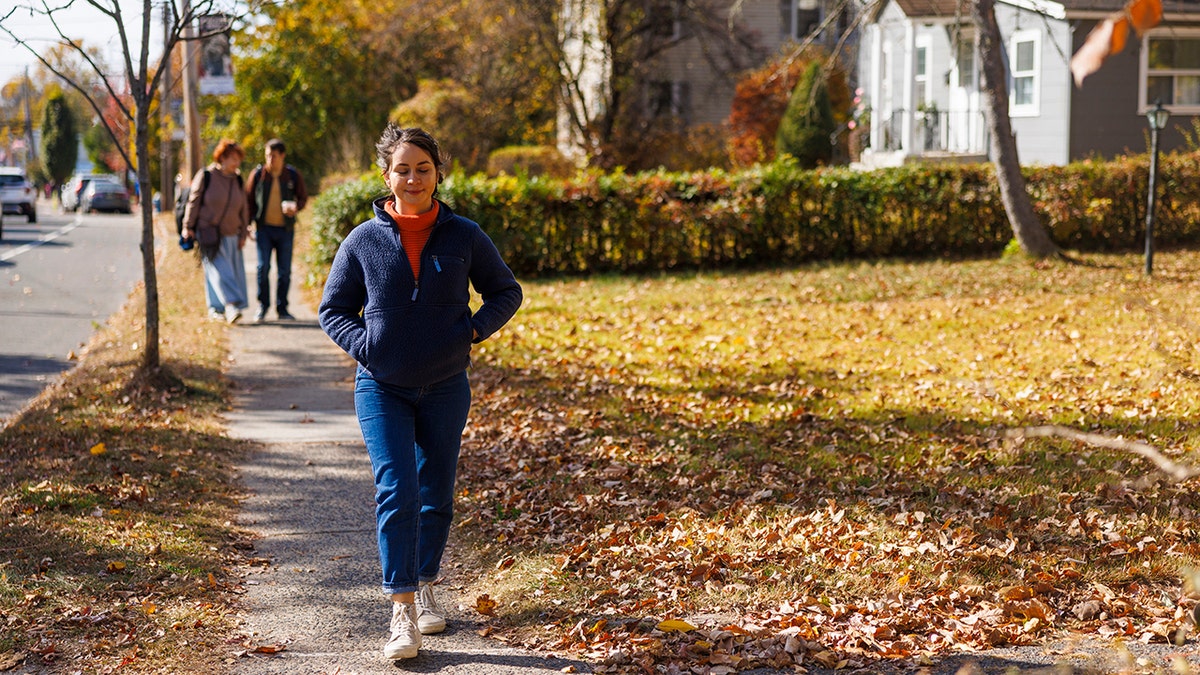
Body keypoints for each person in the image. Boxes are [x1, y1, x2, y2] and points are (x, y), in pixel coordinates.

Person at [318, 125, 522, 662]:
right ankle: (402, 609)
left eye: (423, 168)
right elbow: (332, 309)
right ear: (387, 176)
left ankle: (426, 581)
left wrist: (472, 331)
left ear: (437, 174)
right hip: (381, 387)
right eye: (402, 169)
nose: (413, 178)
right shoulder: (362, 239)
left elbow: (506, 290)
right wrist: (369, 347)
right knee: (397, 490)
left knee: (436, 495)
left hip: (446, 387)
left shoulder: (464, 236)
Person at [181, 139, 251, 323]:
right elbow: (193, 202)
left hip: (232, 234)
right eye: (233, 159)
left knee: (221, 271)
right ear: (222, 158)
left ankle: (216, 309)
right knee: (220, 271)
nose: (237, 163)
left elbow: (244, 207)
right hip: (209, 233)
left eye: (238, 159)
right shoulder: (207, 176)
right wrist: (187, 226)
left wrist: (243, 232)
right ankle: (232, 305)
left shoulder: (237, 179)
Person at [246, 139, 309, 322]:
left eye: (273, 156)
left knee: (284, 271)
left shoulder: (292, 175)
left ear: (282, 156)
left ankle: (282, 308)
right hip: (263, 229)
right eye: (267, 155)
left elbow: (303, 198)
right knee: (262, 267)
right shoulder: (258, 175)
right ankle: (262, 306)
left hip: (285, 230)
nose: (270, 159)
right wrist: (248, 223)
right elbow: (248, 201)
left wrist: (295, 207)